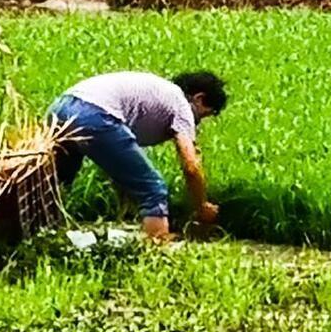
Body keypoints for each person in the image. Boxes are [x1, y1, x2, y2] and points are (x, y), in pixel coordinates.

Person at [48, 70, 227, 242]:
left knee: (57, 182)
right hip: (96, 114)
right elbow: (191, 166)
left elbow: (117, 161)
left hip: (61, 108)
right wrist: (202, 205)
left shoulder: (161, 93)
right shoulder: (182, 105)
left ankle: (45, 232)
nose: (198, 123)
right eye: (204, 115)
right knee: (153, 189)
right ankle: (157, 248)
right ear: (199, 98)